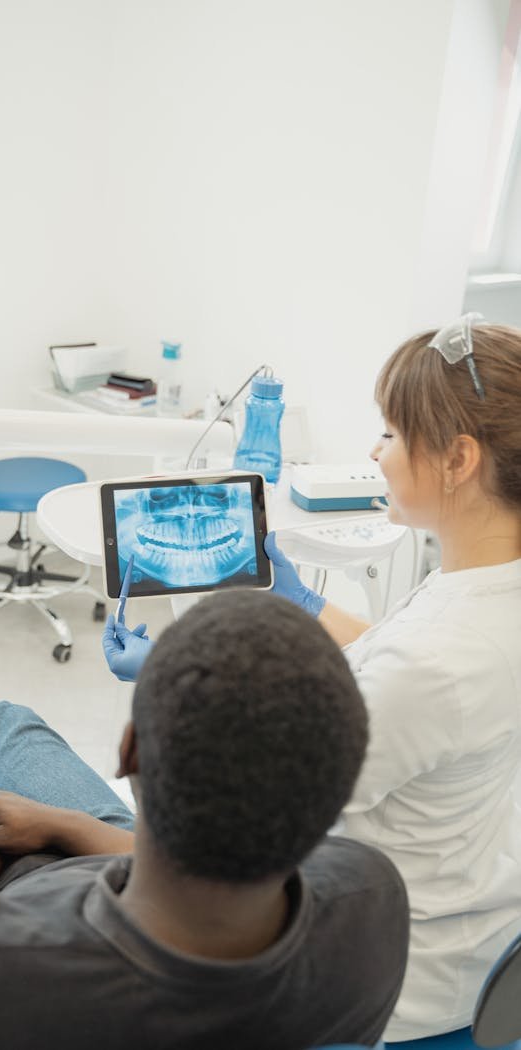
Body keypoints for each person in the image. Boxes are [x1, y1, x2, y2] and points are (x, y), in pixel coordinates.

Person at [105, 314, 521, 1041]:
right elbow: (394, 673)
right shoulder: (488, 590)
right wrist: (300, 601)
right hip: (467, 915)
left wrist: (167, 687)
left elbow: (247, 810)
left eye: (390, 433)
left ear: (457, 460)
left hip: (382, 971)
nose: (374, 450)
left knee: (41, 781)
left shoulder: (435, 660)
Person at [0, 568, 408, 1050]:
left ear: (127, 751)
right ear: (334, 795)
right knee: (6, 722)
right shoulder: (368, 897)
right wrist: (58, 822)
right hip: (97, 851)